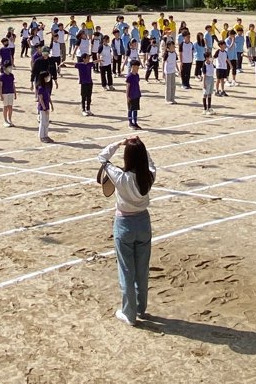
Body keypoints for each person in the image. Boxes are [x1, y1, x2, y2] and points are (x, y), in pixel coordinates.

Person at [97, 136, 156, 327]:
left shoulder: (120, 177)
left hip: (124, 223)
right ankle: (141, 307)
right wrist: (141, 147)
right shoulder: (149, 175)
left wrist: (120, 143)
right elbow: (150, 163)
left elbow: (102, 157)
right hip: (143, 222)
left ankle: (129, 314)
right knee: (142, 268)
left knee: (126, 270)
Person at [36, 71, 54, 143]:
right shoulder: (40, 88)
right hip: (43, 108)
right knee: (43, 122)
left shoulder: (45, 86)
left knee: (46, 122)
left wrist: (51, 104)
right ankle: (42, 136)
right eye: (47, 77)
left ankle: (46, 135)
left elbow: (48, 96)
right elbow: (40, 99)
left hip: (47, 106)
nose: (48, 78)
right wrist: (44, 108)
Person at [0, 63, 16, 127]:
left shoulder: (11, 75)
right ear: (5, 68)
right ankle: (5, 120)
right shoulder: (2, 76)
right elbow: (0, 86)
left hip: (11, 92)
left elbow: (13, 85)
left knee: (10, 107)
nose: (11, 68)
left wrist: (15, 93)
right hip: (5, 93)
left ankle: (10, 119)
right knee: (5, 106)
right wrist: (0, 95)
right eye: (9, 67)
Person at [126, 60, 142, 130]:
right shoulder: (129, 76)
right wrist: (127, 96)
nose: (138, 68)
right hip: (131, 95)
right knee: (130, 109)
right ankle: (130, 123)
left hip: (137, 94)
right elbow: (127, 86)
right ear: (133, 67)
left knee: (135, 109)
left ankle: (135, 122)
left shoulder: (137, 75)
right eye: (136, 67)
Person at [201, 51, 215, 116]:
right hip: (207, 79)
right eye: (209, 56)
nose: (211, 57)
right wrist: (204, 83)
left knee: (210, 94)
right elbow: (204, 75)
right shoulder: (205, 64)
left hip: (211, 78)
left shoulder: (211, 63)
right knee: (205, 94)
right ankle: (204, 109)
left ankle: (209, 107)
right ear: (206, 58)